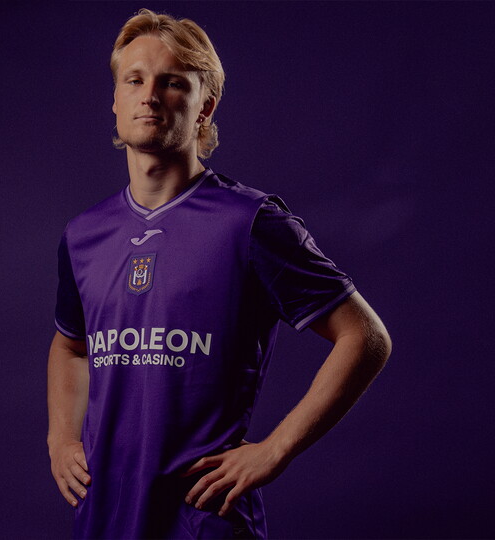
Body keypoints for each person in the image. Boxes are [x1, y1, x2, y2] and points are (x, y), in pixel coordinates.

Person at [47, 8, 392, 539]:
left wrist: (275, 449)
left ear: (205, 105)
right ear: (115, 99)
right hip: (104, 516)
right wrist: (61, 438)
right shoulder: (84, 234)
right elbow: (71, 345)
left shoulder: (250, 223)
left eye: (172, 82)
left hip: (201, 518)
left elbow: (365, 337)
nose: (149, 96)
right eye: (134, 80)